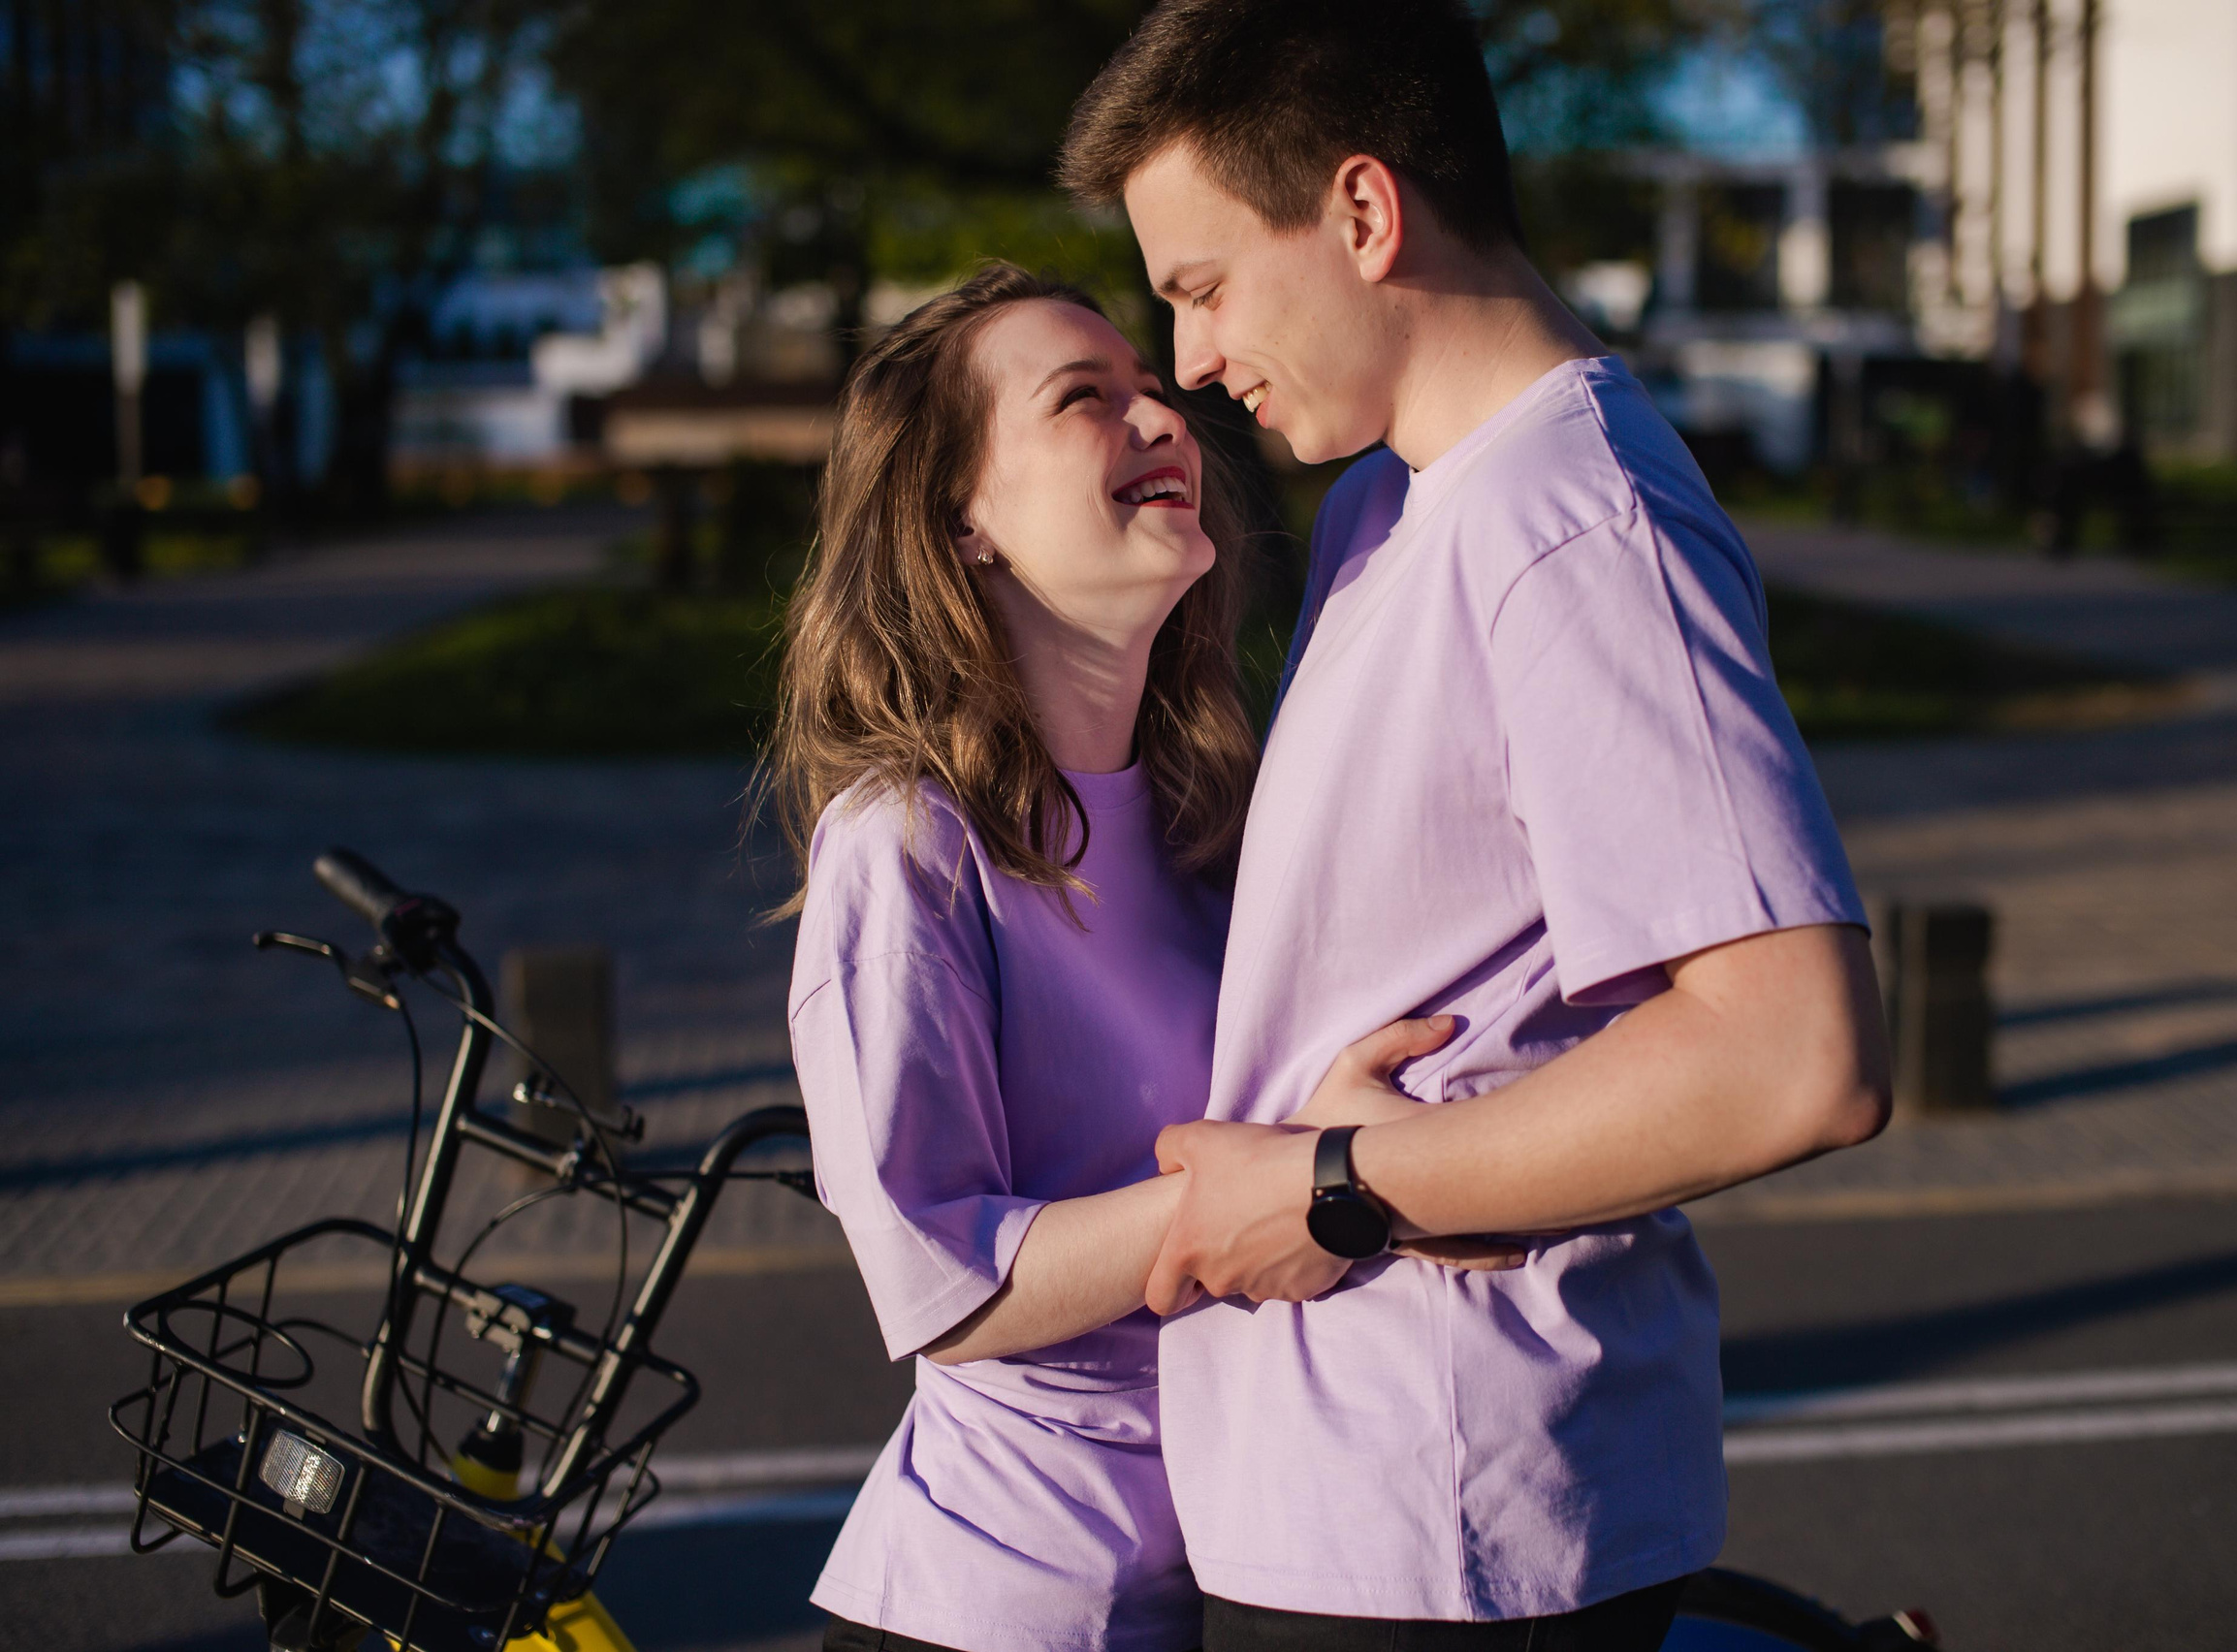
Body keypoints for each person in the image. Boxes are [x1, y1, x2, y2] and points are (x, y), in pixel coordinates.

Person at [1057, 3, 1894, 1648]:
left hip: (1446, 1533)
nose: (1198, 359)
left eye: (1206, 286)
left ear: (1365, 213)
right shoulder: (1396, 496)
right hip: (1348, 1500)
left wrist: (1339, 1187)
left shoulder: (1575, 524)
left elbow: (1798, 1053)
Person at [765, 263, 1516, 1652]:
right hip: (1010, 1612)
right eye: (1085, 400)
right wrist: (1305, 1183)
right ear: (964, 521)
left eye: (1155, 389)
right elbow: (943, 1283)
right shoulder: (910, 849)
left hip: (1258, 1565)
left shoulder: (1219, 821)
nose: (1161, 414)